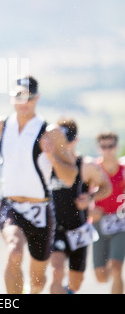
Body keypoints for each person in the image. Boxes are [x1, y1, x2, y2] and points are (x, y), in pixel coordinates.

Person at [0, 76, 78, 294]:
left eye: (29, 96)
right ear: (11, 97)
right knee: (14, 251)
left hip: (40, 210)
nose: (23, 101)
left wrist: (52, 155)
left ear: (37, 98)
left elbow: (71, 176)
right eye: (18, 95)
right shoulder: (0, 126)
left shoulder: (50, 132)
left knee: (37, 280)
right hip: (11, 205)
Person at [50, 119, 112, 294]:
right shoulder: (48, 164)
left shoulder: (87, 165)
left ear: (75, 140)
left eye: (66, 141)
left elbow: (106, 187)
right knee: (57, 270)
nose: (63, 146)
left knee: (75, 284)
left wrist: (90, 197)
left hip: (79, 230)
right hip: (56, 229)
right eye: (59, 142)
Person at [90, 132, 125, 294]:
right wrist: (90, 209)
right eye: (104, 147)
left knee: (116, 268)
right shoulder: (93, 170)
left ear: (116, 147)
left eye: (111, 146)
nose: (108, 150)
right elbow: (82, 196)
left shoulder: (123, 170)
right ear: (99, 148)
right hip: (99, 223)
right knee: (101, 276)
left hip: (121, 222)